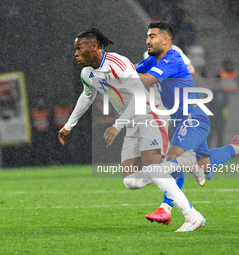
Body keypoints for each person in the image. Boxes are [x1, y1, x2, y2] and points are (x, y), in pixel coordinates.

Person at [59, 28, 207, 232]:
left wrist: (117, 125)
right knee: (131, 181)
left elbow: (140, 96)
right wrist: (68, 125)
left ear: (94, 47)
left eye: (79, 48)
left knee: (154, 168)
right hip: (130, 122)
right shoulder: (87, 73)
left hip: (150, 114)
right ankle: (184, 160)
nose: (75, 53)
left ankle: (192, 216)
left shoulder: (117, 63)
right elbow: (87, 96)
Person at [136, 20, 239, 225]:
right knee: (205, 169)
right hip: (179, 119)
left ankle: (166, 208)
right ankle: (235, 147)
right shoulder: (153, 59)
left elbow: (145, 80)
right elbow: (133, 72)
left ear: (166, 40)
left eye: (152, 36)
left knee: (173, 157)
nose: (147, 40)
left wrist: (118, 75)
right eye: (147, 36)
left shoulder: (173, 58)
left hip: (193, 117)